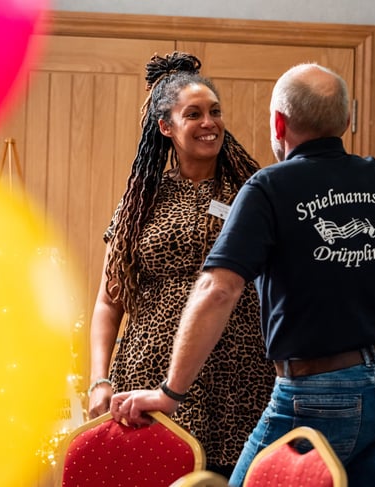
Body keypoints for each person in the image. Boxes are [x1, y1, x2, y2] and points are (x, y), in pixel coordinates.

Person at [109, 62, 375, 487]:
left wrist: (170, 393)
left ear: (278, 122)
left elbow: (218, 289)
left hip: (316, 396)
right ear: (347, 122)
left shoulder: (268, 189)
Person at [86, 51, 275, 477]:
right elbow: (108, 301)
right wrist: (99, 380)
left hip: (240, 377)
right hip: (148, 375)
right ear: (166, 127)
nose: (209, 123)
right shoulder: (142, 200)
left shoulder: (253, 193)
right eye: (194, 114)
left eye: (215, 111)